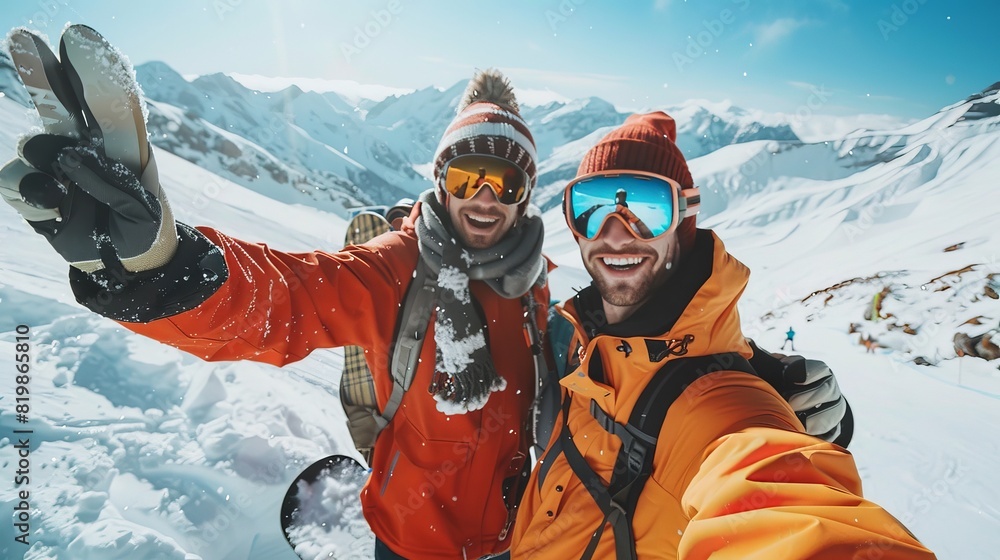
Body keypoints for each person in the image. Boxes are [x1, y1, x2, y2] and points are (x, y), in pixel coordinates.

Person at [1, 25, 546, 560]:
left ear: (525, 198)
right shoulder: (400, 266)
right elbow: (290, 297)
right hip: (408, 537)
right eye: (467, 175)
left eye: (507, 184)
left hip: (517, 537)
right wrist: (164, 272)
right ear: (440, 179)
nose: (485, 197)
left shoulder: (536, 284)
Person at [511, 112, 935, 559]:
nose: (615, 233)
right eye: (591, 208)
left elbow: (780, 507)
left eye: (646, 210)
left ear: (684, 218)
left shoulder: (720, 406)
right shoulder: (593, 338)